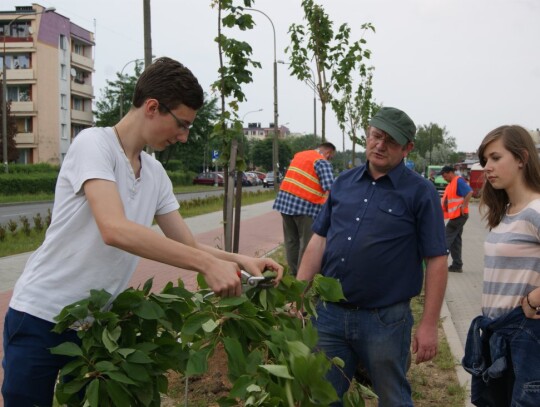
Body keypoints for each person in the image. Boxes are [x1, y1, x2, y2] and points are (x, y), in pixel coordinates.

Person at [1, 57, 283, 407]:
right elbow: (114, 229)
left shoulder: (154, 173)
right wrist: (205, 265)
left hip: (93, 325)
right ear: (153, 107)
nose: (183, 137)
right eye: (182, 124)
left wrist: (240, 261)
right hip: (40, 316)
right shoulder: (94, 144)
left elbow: (187, 244)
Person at [297, 106, 448, 407]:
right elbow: (319, 239)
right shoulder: (343, 183)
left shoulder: (421, 192)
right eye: (376, 136)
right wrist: (298, 293)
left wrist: (429, 324)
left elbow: (437, 259)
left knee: (393, 398)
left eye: (391, 141)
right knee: (322, 397)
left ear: (408, 148)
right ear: (367, 136)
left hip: (385, 320)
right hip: (329, 315)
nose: (380, 145)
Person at [462, 125, 540, 406]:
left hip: (526, 338)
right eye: (485, 161)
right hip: (497, 335)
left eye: (496, 158)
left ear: (521, 158)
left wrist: (534, 299)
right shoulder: (506, 212)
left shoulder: (536, 210)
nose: (487, 168)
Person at [273, 142, 336, 275]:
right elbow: (331, 188)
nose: (330, 159)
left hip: (284, 203)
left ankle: (293, 274)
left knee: (291, 242)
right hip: (305, 207)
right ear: (329, 153)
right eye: (332, 157)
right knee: (306, 245)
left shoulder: (299, 155)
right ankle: (302, 282)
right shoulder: (322, 162)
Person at [439, 165, 473, 272]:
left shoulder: (458, 181)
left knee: (446, 238)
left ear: (450, 173)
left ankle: (439, 264)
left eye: (445, 176)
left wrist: (464, 205)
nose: (444, 178)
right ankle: (457, 265)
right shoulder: (451, 184)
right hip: (456, 216)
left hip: (459, 215)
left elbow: (469, 192)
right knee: (455, 241)